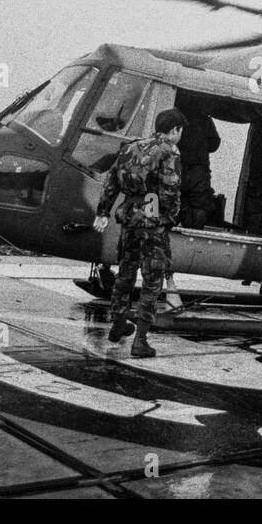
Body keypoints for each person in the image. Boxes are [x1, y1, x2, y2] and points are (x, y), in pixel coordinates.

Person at [92, 108, 186, 358]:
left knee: (125, 272)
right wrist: (169, 217)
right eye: (180, 131)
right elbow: (171, 188)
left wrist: (103, 211)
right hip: (152, 220)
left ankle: (118, 324)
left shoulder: (131, 147)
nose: (180, 136)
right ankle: (140, 341)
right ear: (175, 129)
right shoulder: (170, 151)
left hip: (130, 217)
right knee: (152, 279)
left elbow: (111, 181)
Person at [177, 107, 220, 229]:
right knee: (201, 204)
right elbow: (215, 144)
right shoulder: (204, 120)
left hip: (179, 167)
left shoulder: (177, 119)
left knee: (178, 199)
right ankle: (195, 231)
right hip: (198, 171)